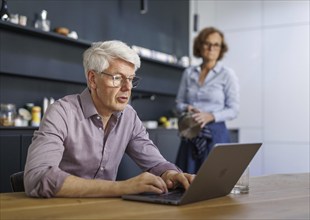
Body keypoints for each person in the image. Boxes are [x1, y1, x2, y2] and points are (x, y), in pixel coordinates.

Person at [24, 40, 195, 198]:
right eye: (117, 78)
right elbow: (38, 177)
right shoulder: (62, 112)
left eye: (130, 79)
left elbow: (156, 163)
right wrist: (122, 187)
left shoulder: (129, 116)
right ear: (92, 80)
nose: (127, 87)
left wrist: (171, 175)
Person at [175, 27, 240, 174]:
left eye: (216, 44)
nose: (211, 48)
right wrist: (187, 108)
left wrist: (210, 116)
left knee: (215, 181)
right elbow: (178, 103)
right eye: (207, 43)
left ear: (221, 48)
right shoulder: (189, 73)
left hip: (216, 136)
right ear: (200, 45)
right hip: (190, 132)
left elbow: (234, 110)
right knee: (186, 181)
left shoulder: (227, 75)